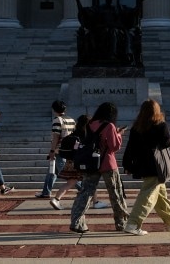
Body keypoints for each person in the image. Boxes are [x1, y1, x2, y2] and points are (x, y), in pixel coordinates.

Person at [121, 99, 170, 235]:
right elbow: (165, 142)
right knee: (147, 196)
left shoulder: (136, 127)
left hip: (142, 163)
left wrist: (127, 164)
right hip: (157, 165)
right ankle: (133, 223)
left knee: (161, 195)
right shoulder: (160, 125)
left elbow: (130, 147)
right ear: (157, 110)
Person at [69, 102, 129, 234]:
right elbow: (114, 146)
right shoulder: (109, 125)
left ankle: (76, 221)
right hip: (107, 162)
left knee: (86, 192)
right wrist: (119, 134)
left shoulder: (90, 124)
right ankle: (121, 222)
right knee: (115, 193)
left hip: (91, 162)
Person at [49, 114, 90, 210]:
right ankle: (95, 201)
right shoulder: (85, 135)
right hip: (82, 163)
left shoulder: (74, 134)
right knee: (90, 181)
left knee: (70, 182)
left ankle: (56, 199)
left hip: (70, 162)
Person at [38, 100, 76, 198]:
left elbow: (56, 136)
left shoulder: (57, 120)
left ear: (54, 109)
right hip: (70, 149)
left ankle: (83, 188)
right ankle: (46, 191)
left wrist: (52, 150)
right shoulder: (71, 120)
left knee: (66, 172)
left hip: (60, 150)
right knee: (52, 170)